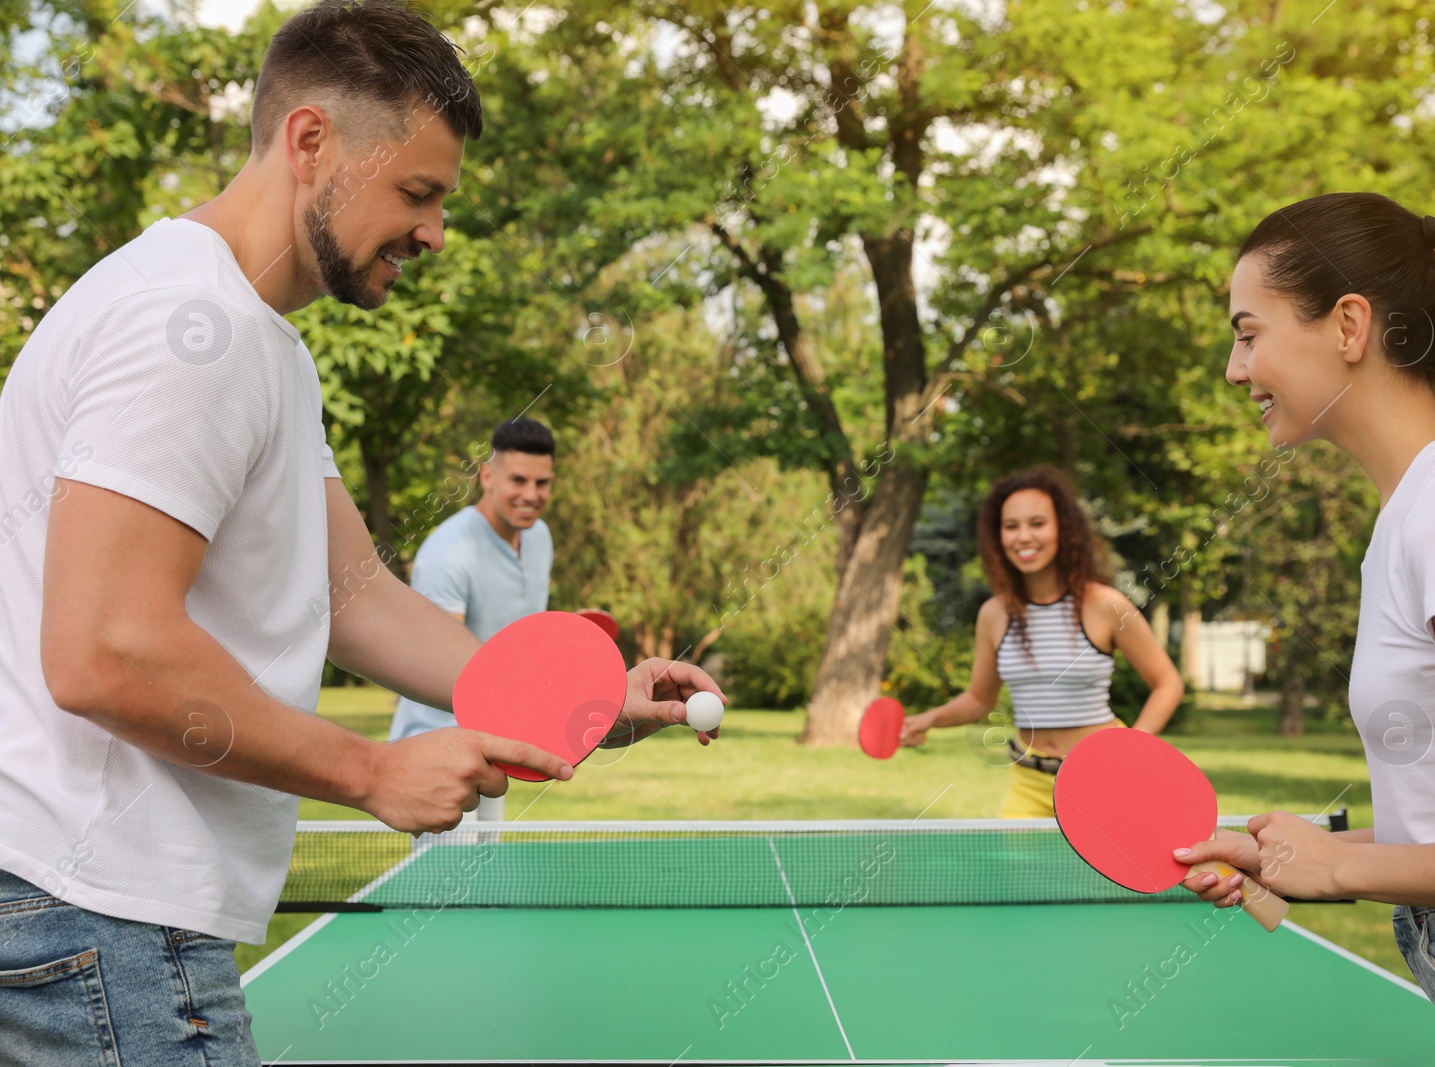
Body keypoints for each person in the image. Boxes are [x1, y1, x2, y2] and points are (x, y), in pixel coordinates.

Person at [0, 2, 721, 1064]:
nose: (434, 232)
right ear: (310, 141)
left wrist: (584, 702)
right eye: (418, 192)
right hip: (108, 919)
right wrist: (370, 772)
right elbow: (105, 651)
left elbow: (354, 595)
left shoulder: (259, 344)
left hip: (93, 916)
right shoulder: (191, 333)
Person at [1181, 192, 1435, 1061]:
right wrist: (1287, 850)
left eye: (1248, 332)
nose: (1234, 367)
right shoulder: (1433, 504)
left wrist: (1334, 866)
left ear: (1348, 324)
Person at [900, 467, 1183, 816]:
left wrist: (1132, 750)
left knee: (1102, 874)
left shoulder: (1105, 605)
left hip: (1103, 777)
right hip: (1027, 780)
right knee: (1022, 873)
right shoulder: (994, 613)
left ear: (1063, 530)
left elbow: (1167, 683)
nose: (1023, 537)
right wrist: (928, 719)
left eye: (1037, 523)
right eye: (1011, 526)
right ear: (997, 536)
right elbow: (979, 698)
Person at [388, 416, 561, 823]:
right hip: (438, 753)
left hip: (496, 749)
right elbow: (437, 662)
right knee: (442, 883)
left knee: (484, 881)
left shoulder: (540, 538)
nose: (531, 495)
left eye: (542, 483)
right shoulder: (449, 550)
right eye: (518, 480)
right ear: (487, 476)